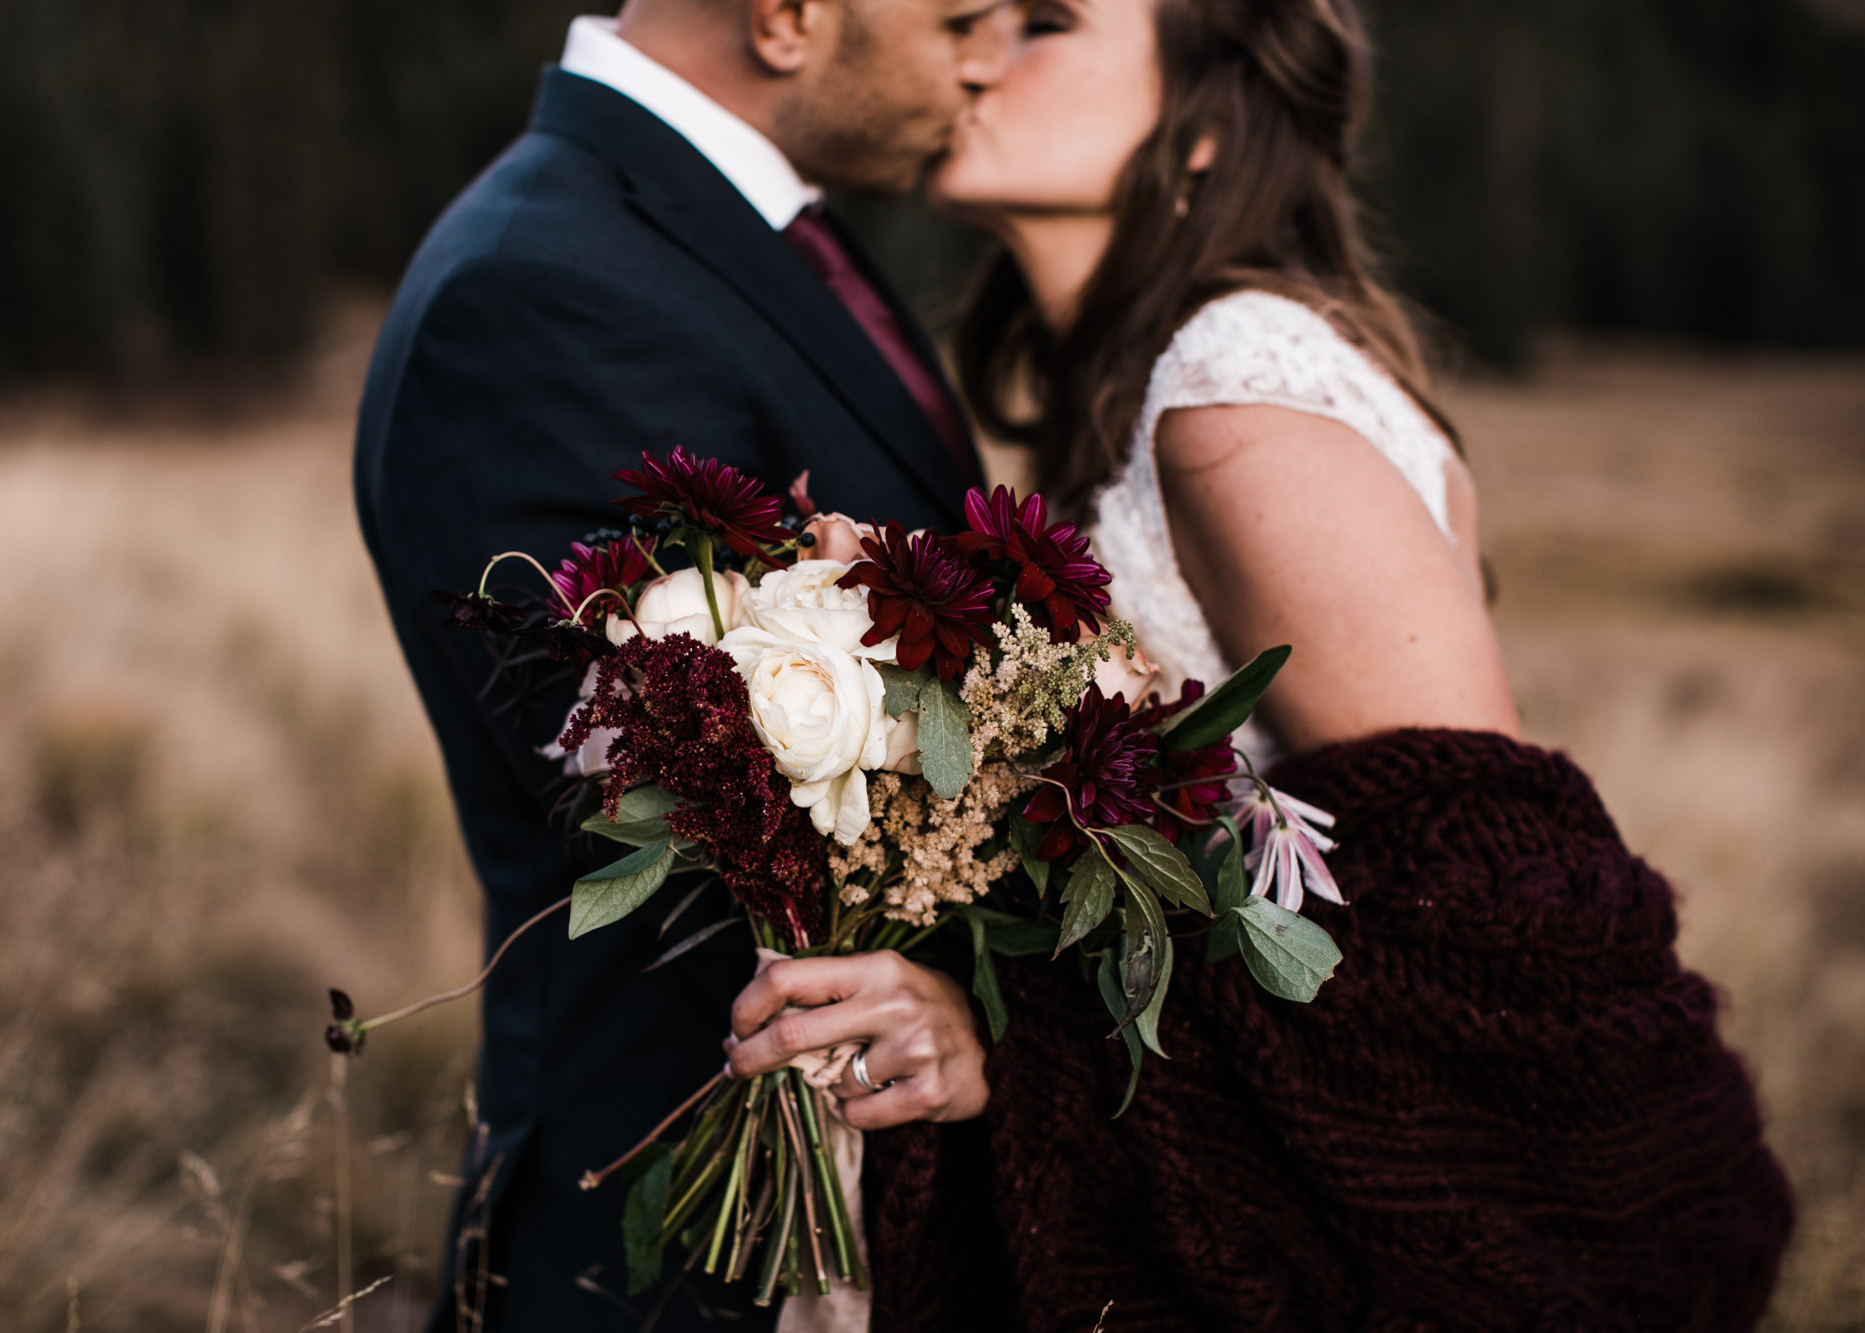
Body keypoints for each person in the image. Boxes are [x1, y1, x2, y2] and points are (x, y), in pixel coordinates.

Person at [725, 0, 1796, 1327]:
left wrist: (1005, 1037)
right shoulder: (1143, 402)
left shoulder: (1237, 397)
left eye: (1048, 21)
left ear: (1203, 134)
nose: (979, 43)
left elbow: (1513, 937)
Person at [351, 1, 1012, 1327]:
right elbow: (680, 811)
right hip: (682, 1242)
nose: (991, 56)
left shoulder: (759, 239)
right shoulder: (537, 287)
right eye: (961, 17)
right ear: (787, 17)